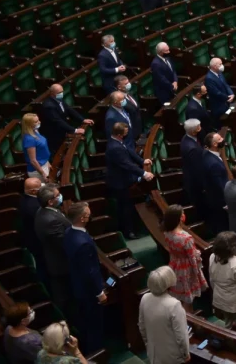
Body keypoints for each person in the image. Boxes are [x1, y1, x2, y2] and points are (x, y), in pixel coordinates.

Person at [63, 201, 105, 353]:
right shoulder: (82, 243)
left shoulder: (69, 232)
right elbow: (90, 271)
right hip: (88, 290)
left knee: (85, 319)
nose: (90, 216)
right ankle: (97, 353)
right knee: (94, 322)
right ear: (82, 218)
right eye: (88, 214)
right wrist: (99, 292)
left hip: (76, 284)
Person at [106, 121, 152, 238]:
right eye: (125, 133)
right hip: (120, 183)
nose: (127, 134)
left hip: (123, 179)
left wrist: (142, 161)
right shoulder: (115, 147)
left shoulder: (117, 141)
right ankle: (129, 232)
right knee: (125, 207)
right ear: (120, 135)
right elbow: (126, 164)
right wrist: (144, 173)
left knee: (127, 206)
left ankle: (130, 228)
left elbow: (129, 152)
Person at [138, 266, 190, 364]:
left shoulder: (144, 298)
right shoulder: (174, 305)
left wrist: (148, 344)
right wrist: (186, 353)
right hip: (172, 357)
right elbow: (181, 336)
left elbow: (142, 327)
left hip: (153, 353)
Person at [209, 231, 236, 333]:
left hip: (220, 301)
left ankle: (230, 344)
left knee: (228, 325)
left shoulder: (212, 257)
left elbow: (212, 280)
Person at [161, 204, 206, 307]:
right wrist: (196, 272)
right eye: (182, 214)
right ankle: (188, 316)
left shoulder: (167, 233)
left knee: (179, 292)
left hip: (175, 263)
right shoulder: (186, 238)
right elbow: (192, 257)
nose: (184, 215)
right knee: (188, 294)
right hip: (186, 267)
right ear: (179, 218)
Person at [35, 185, 72, 309]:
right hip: (61, 263)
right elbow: (64, 243)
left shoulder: (44, 210)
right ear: (50, 201)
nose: (60, 196)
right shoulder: (50, 220)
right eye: (58, 195)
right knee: (64, 296)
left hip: (56, 258)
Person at [37, 82, 90, 150]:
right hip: (53, 135)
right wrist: (74, 130)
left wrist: (82, 120)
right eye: (59, 93)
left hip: (61, 131)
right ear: (52, 93)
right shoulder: (49, 106)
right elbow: (57, 121)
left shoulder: (59, 99)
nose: (61, 94)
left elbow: (69, 109)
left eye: (62, 91)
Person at [202, 132, 230, 236]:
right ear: (214, 144)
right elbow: (219, 186)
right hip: (219, 202)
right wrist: (226, 202)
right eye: (219, 139)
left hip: (213, 198)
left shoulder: (207, 153)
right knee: (223, 227)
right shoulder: (213, 163)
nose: (223, 139)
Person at [22, 113, 52, 181]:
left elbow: (41, 150)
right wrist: (43, 173)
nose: (39, 122)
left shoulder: (35, 131)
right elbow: (33, 161)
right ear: (29, 124)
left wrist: (47, 162)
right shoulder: (29, 139)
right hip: (37, 171)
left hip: (44, 164)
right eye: (36, 122)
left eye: (38, 120)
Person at [205, 57, 234, 122]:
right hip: (218, 106)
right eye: (220, 64)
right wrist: (228, 97)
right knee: (227, 119)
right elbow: (216, 93)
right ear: (214, 66)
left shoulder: (219, 73)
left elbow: (226, 85)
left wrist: (231, 94)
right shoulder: (209, 78)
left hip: (227, 101)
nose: (222, 66)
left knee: (235, 109)